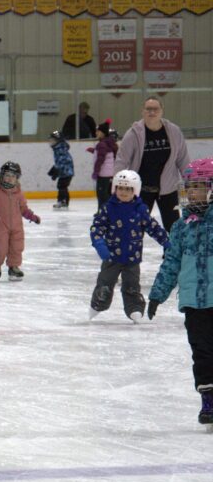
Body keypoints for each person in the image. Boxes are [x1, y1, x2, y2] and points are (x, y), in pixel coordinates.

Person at [147, 157, 213, 428]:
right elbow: (171, 263)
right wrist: (157, 294)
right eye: (190, 187)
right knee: (202, 352)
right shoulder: (180, 227)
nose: (193, 192)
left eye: (199, 185)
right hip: (193, 302)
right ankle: (208, 400)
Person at [89, 169, 169, 322]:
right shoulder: (108, 208)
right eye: (120, 188)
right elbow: (96, 228)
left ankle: (135, 309)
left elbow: (153, 227)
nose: (123, 192)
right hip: (111, 257)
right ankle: (97, 306)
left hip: (133, 257)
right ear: (115, 189)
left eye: (128, 189)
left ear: (135, 190)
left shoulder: (140, 209)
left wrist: (166, 242)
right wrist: (100, 245)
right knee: (105, 284)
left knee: (132, 286)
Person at [114, 95, 190, 232]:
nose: (152, 112)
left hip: (168, 189)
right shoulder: (133, 134)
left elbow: (182, 159)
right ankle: (133, 253)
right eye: (148, 109)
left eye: (155, 109)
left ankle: (171, 253)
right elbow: (121, 160)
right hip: (140, 191)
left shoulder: (174, 131)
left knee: (173, 228)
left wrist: (190, 182)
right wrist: (117, 185)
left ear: (162, 111)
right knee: (136, 228)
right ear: (142, 111)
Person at [0, 162, 41, 281]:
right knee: (0, 247)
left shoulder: (19, 193)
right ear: (2, 176)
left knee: (17, 247)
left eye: (13, 176)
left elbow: (24, 209)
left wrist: (32, 217)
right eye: (7, 175)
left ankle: (14, 267)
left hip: (17, 227)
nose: (10, 178)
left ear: (17, 179)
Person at [88, 122, 118, 211]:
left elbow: (100, 159)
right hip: (110, 173)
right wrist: (94, 150)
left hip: (103, 174)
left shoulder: (102, 144)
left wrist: (96, 172)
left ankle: (102, 213)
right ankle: (109, 211)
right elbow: (107, 155)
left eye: (98, 131)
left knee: (101, 195)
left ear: (103, 132)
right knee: (107, 194)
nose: (96, 133)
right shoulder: (110, 143)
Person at [48, 130, 75, 209]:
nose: (50, 142)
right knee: (63, 186)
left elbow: (63, 161)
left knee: (61, 186)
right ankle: (64, 201)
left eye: (52, 140)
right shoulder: (58, 148)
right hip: (66, 171)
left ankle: (62, 201)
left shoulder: (60, 148)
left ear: (58, 140)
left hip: (66, 171)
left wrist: (57, 170)